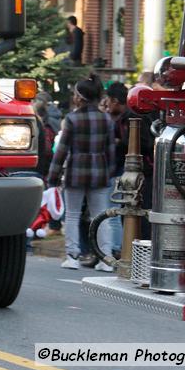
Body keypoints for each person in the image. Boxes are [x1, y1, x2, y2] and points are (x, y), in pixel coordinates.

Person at [47, 76, 118, 272]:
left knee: (72, 215)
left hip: (75, 170)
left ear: (80, 97)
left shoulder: (72, 119)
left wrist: (52, 178)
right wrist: (109, 173)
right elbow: (111, 151)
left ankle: (72, 256)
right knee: (101, 216)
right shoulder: (106, 119)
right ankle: (106, 258)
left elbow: (61, 151)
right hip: (100, 171)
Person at [105, 82, 155, 241]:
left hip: (143, 172)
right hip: (139, 172)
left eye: (108, 100)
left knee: (141, 212)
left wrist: (121, 143)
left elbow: (145, 144)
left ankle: (141, 249)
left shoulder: (133, 117)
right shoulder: (124, 118)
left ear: (114, 100)